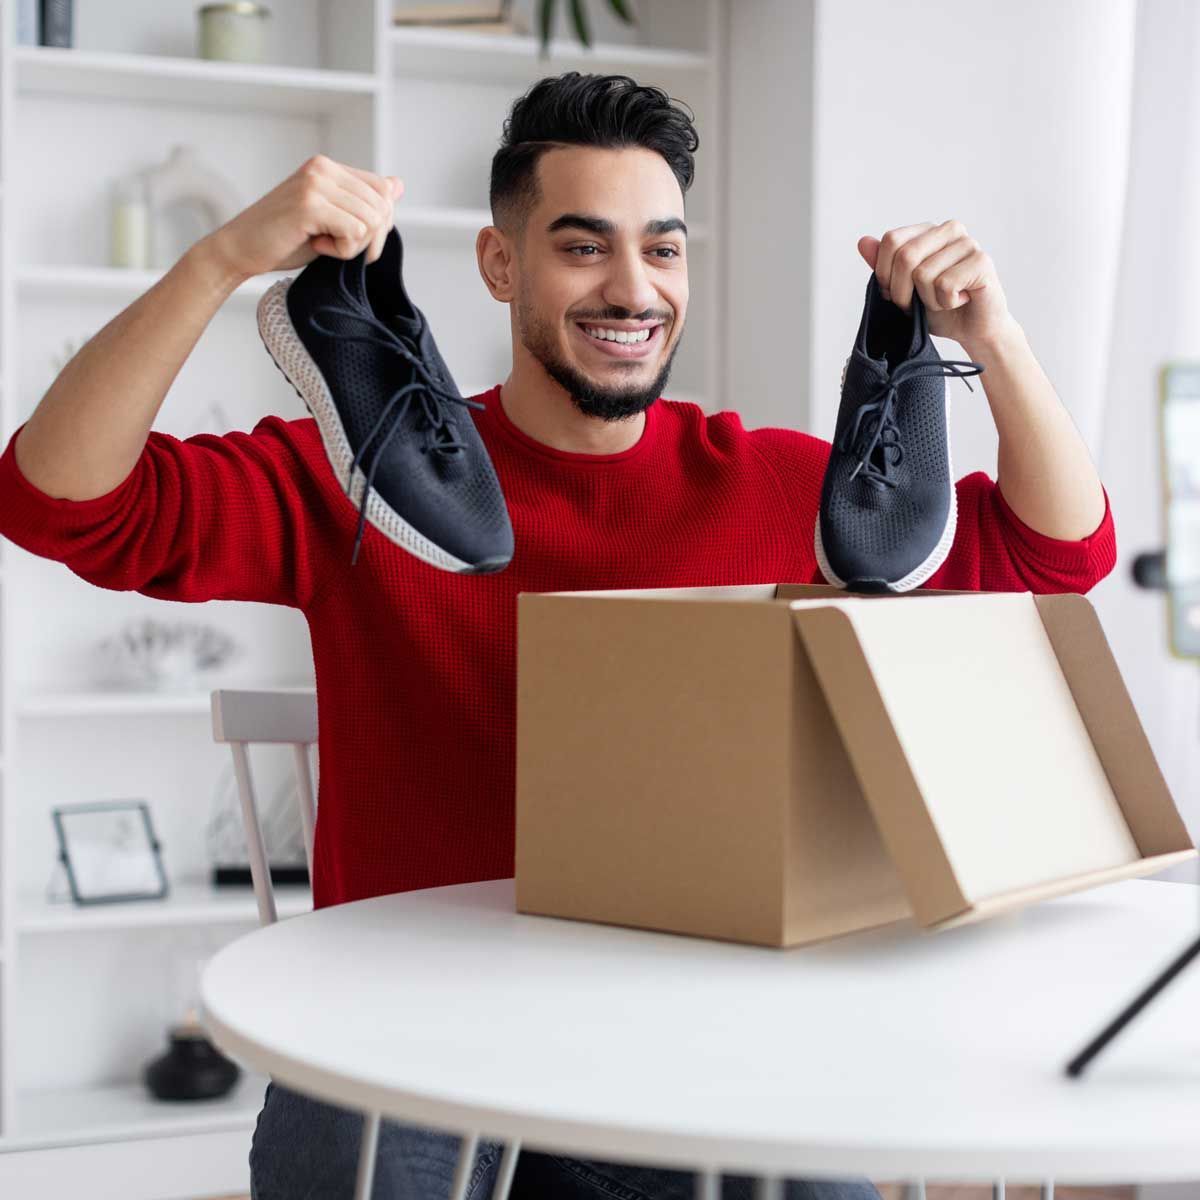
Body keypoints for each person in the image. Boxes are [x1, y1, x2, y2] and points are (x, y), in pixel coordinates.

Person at [0, 72, 1113, 1200]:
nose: (633, 288)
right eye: (584, 248)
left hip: (690, 1038)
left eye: (663, 250)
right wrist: (217, 262)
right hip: (408, 1024)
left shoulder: (794, 493)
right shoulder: (361, 472)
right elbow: (56, 504)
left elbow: (1059, 556)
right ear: (499, 264)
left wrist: (997, 339)